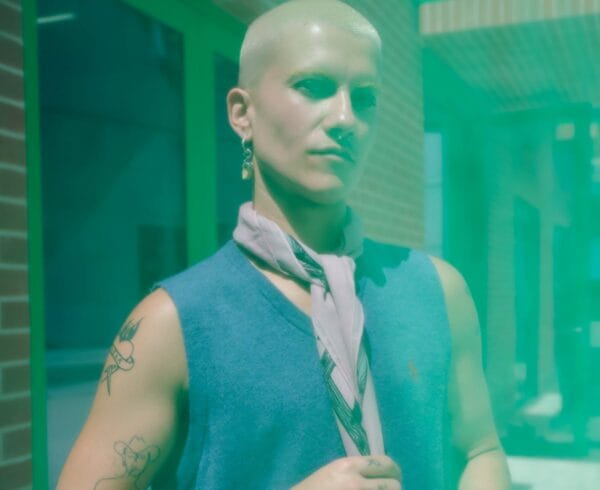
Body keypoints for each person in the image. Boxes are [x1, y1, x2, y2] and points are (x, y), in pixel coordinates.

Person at [58, 1, 511, 488]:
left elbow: (480, 450)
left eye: (365, 98)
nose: (345, 118)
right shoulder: (172, 324)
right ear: (242, 113)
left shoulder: (437, 293)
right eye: (312, 87)